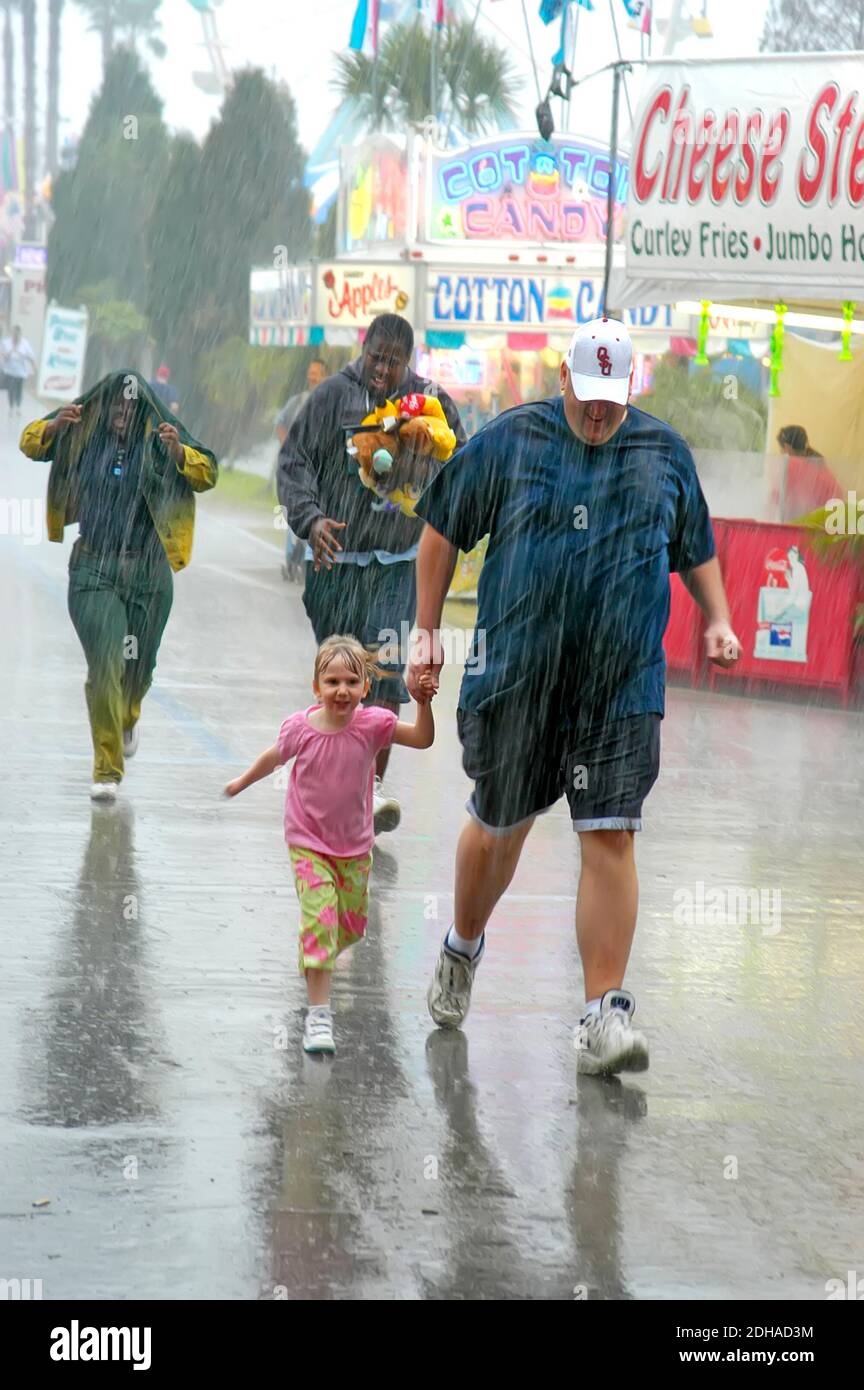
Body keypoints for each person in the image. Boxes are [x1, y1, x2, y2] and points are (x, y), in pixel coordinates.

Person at [408, 316, 741, 1075]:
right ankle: (462, 947)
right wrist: (425, 634)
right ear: (563, 379)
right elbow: (439, 532)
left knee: (611, 835)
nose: (597, 412)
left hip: (619, 685)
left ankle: (604, 1012)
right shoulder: (511, 439)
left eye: (611, 398)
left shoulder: (663, 453)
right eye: (586, 395)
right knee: (499, 831)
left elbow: (696, 547)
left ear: (631, 386)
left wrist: (718, 618)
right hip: (520, 677)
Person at [277, 314, 465, 836]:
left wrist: (438, 497)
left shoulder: (432, 402)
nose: (382, 369)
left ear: (409, 361)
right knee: (342, 682)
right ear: (364, 351)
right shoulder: (331, 397)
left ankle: (368, 792)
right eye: (375, 357)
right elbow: (293, 464)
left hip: (397, 567)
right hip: (336, 566)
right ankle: (336, 787)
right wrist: (310, 521)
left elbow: (463, 468)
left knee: (381, 679)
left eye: (394, 360)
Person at [224, 634, 436, 1054]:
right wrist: (241, 782)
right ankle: (318, 1018)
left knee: (351, 928)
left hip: (355, 847)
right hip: (308, 842)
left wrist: (424, 703)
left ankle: (314, 951)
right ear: (316, 687)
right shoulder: (300, 728)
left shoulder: (373, 725)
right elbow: (274, 757)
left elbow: (422, 739)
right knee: (321, 921)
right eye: (332, 681)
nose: (342, 691)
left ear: (365, 688)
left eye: (351, 682)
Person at [19, 370, 218, 801]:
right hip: (94, 570)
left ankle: (127, 715)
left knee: (138, 667)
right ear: (102, 404)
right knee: (106, 664)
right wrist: (55, 426)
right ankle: (107, 768)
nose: (122, 411)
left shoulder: (162, 438)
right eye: (114, 403)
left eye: (131, 404)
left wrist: (179, 452)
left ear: (143, 407)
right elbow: (30, 441)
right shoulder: (80, 432)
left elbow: (209, 473)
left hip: (150, 573)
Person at [275, 357, 329, 583]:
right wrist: (289, 450)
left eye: (316, 372)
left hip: (320, 471)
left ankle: (305, 562)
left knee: (317, 513)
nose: (312, 376)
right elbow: (280, 424)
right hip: (297, 471)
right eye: (310, 371)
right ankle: (292, 561)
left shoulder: (331, 402)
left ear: (324, 375)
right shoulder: (297, 402)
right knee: (294, 513)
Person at [776, 424, 840, 522]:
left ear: (787, 447)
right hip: (830, 524)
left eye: (780, 449)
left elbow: (782, 500)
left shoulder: (792, 464)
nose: (780, 453)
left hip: (809, 526)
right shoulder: (819, 465)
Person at [1, 324, 37, 419]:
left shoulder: (25, 343)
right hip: (10, 371)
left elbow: (31, 357)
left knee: (19, 389)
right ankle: (11, 407)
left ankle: (18, 407)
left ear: (20, 334)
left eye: (17, 333)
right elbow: (3, 356)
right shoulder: (6, 343)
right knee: (11, 389)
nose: (15, 335)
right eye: (14, 333)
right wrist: (11, 351)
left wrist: (34, 369)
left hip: (21, 372)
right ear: (12, 333)